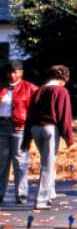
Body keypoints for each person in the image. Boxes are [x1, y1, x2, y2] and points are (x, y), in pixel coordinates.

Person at [21, 65, 74, 210]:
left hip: (35, 129)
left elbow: (30, 114)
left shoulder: (38, 91)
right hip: (50, 129)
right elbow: (64, 115)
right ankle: (42, 199)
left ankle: (50, 192)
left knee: (48, 160)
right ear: (62, 78)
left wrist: (26, 138)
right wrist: (69, 137)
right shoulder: (61, 91)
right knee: (48, 164)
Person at [0, 61, 38, 205]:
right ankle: (0, 193)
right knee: (2, 162)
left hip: (20, 127)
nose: (12, 75)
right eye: (10, 72)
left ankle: (21, 194)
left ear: (21, 73)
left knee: (20, 162)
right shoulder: (2, 87)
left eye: (15, 72)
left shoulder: (30, 88)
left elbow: (38, 107)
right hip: (2, 126)